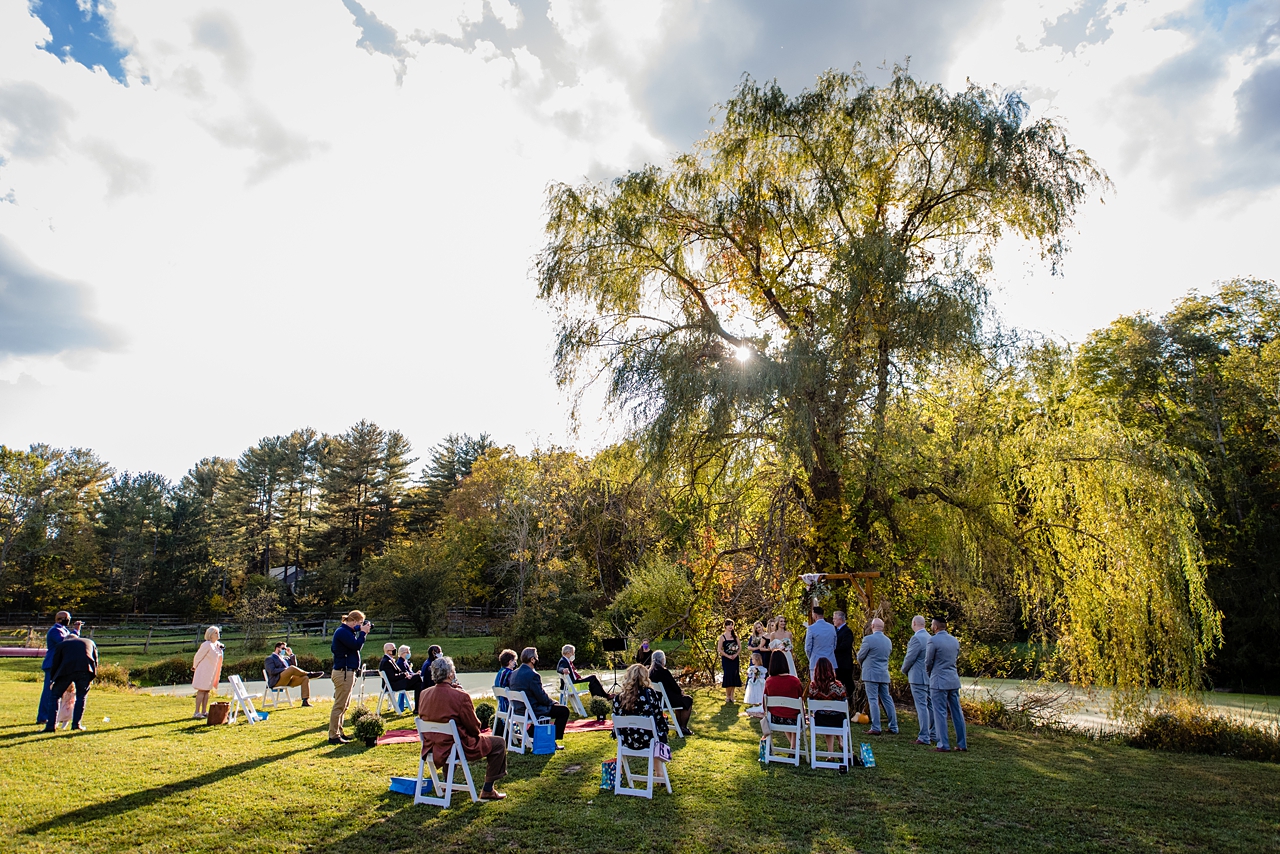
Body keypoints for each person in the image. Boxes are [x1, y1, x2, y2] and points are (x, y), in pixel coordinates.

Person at [419, 655, 508, 800]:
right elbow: (474, 728)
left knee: (451, 738)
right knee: (499, 743)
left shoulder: (424, 694)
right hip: (456, 746)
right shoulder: (460, 696)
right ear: (451, 674)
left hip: (432, 746)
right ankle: (488, 789)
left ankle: (449, 783)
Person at [611, 664, 670, 783]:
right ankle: (659, 773)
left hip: (626, 741)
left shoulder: (619, 698)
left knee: (655, 735)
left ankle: (620, 772)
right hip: (648, 741)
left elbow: (616, 721)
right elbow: (658, 717)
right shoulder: (650, 694)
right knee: (658, 736)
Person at [507, 647, 570, 745]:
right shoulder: (533, 675)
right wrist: (554, 702)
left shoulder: (514, 674)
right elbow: (542, 698)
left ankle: (531, 733)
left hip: (518, 710)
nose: (537, 659)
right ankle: (551, 739)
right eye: (536, 657)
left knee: (555, 708)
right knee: (563, 710)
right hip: (532, 710)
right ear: (532, 659)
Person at [925, 616, 967, 752]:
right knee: (957, 712)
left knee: (940, 713)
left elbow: (928, 662)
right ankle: (962, 743)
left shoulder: (933, 641)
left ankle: (943, 744)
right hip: (953, 680)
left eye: (932, 625)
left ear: (935, 627)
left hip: (938, 681)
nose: (931, 627)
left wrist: (930, 674)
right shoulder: (955, 641)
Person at [329, 610, 371, 744]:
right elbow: (356, 645)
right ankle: (333, 735)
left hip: (347, 671)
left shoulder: (347, 632)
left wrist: (361, 631)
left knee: (345, 705)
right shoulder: (342, 632)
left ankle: (339, 732)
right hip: (343, 672)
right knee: (339, 705)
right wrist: (363, 633)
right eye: (359, 623)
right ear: (353, 621)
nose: (360, 625)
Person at [42, 632, 98, 732]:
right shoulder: (90, 642)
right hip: (85, 670)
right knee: (81, 697)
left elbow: (56, 663)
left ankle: (51, 725)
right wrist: (92, 676)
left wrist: (52, 679)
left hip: (66, 670)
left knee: (55, 696)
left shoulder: (61, 645)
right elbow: (95, 660)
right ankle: (76, 724)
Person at [37, 611, 83, 725]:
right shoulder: (55, 630)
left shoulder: (64, 630)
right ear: (60, 619)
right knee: (49, 691)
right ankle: (43, 716)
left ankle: (56, 716)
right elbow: (67, 642)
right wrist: (76, 630)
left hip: (61, 664)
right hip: (53, 663)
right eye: (66, 618)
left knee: (59, 691)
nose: (68, 620)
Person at [857, 617, 898, 735]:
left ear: (872, 626)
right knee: (887, 699)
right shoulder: (888, 641)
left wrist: (863, 665)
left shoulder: (868, 640)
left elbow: (860, 656)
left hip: (871, 674)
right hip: (883, 673)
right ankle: (893, 726)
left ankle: (876, 726)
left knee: (873, 699)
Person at [900, 615, 935, 745]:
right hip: (928, 676)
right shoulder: (930, 638)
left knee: (921, 706)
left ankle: (924, 736)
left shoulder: (916, 638)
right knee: (931, 705)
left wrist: (904, 670)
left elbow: (910, 658)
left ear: (914, 623)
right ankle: (933, 733)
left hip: (917, 676)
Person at [805, 657, 849, 755]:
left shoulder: (813, 686)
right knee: (834, 715)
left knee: (825, 715)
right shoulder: (838, 686)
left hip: (820, 721)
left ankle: (830, 753)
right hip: (838, 721)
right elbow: (844, 700)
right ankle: (840, 741)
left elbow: (811, 700)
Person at [759, 651, 802, 750]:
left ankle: (793, 746)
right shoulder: (795, 681)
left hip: (775, 718)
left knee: (786, 714)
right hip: (792, 718)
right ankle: (793, 747)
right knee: (793, 716)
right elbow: (800, 700)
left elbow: (764, 703)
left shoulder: (769, 681)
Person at [648, 649, 694, 733]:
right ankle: (683, 727)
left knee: (681, 700)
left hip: (656, 700)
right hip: (665, 700)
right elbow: (675, 687)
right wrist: (681, 692)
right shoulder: (664, 671)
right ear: (662, 659)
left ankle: (679, 726)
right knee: (688, 700)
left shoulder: (650, 672)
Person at [265, 642, 321, 708]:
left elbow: (295, 667)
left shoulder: (285, 658)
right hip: (277, 681)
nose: (284, 650)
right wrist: (286, 669)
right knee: (291, 668)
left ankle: (305, 701)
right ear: (277, 648)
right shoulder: (270, 658)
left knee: (305, 678)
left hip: (289, 680)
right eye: (283, 648)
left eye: (285, 648)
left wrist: (291, 654)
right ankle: (310, 674)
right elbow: (272, 671)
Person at [191, 625, 224, 719]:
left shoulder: (217, 645)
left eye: (218, 633)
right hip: (203, 670)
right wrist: (194, 666)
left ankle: (204, 711)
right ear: (210, 635)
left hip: (211, 671)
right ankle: (197, 712)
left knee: (207, 691)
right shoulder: (207, 644)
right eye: (215, 633)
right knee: (201, 690)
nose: (218, 635)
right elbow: (198, 656)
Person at [832, 610, 857, 707]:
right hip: (837, 663)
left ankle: (852, 704)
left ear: (840, 619)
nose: (833, 620)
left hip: (844, 664)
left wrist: (832, 648)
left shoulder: (847, 631)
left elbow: (845, 646)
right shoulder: (835, 631)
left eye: (834, 618)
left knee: (848, 684)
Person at [803, 605, 837, 676]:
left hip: (815, 662)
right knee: (830, 685)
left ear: (815, 615)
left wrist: (811, 657)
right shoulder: (832, 627)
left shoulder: (811, 628)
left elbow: (807, 648)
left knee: (816, 685)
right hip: (830, 661)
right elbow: (834, 645)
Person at [492, 649, 518, 736]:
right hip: (509, 706)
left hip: (501, 705)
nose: (515, 663)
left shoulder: (500, 672)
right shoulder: (510, 673)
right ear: (510, 662)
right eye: (514, 661)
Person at [716, 619, 742, 703]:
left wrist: (735, 654)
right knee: (728, 675)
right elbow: (719, 649)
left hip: (735, 659)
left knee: (734, 675)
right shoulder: (722, 637)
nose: (730, 626)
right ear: (725, 626)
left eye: (732, 625)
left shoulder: (735, 636)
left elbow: (740, 647)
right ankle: (727, 696)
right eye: (728, 625)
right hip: (726, 659)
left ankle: (732, 696)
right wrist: (728, 656)